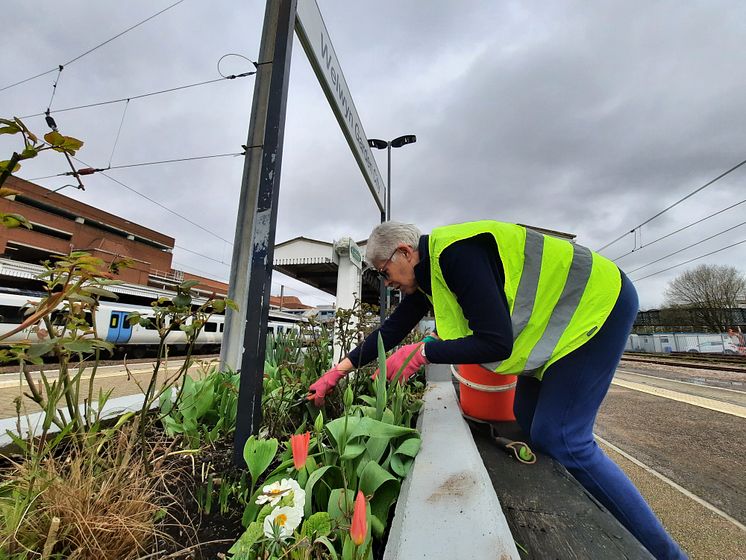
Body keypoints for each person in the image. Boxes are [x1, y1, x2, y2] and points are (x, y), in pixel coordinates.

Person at [308, 220, 686, 560]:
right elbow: (391, 330)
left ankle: (667, 554)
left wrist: (422, 352)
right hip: (560, 327)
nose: (385, 280)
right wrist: (337, 372)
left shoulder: (458, 256)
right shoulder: (430, 276)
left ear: (404, 253)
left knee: (564, 438)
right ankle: (585, 503)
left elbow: (495, 343)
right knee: (527, 420)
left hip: (598, 306)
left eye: (384, 270)